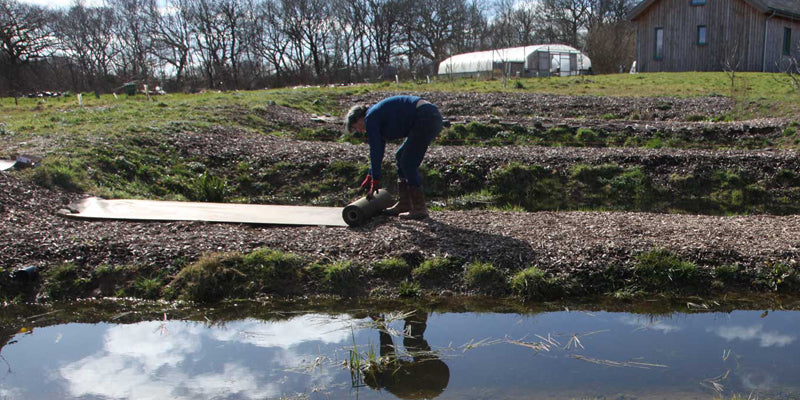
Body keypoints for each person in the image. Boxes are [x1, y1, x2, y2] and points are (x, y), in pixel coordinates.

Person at [345, 95, 443, 220]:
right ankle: (405, 203)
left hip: (425, 117)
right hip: (429, 116)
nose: (358, 131)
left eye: (354, 127)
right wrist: (371, 174)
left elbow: (375, 149)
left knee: (408, 163)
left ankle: (419, 209)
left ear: (359, 118)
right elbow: (378, 150)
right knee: (400, 156)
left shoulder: (371, 118)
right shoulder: (375, 115)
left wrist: (376, 179)